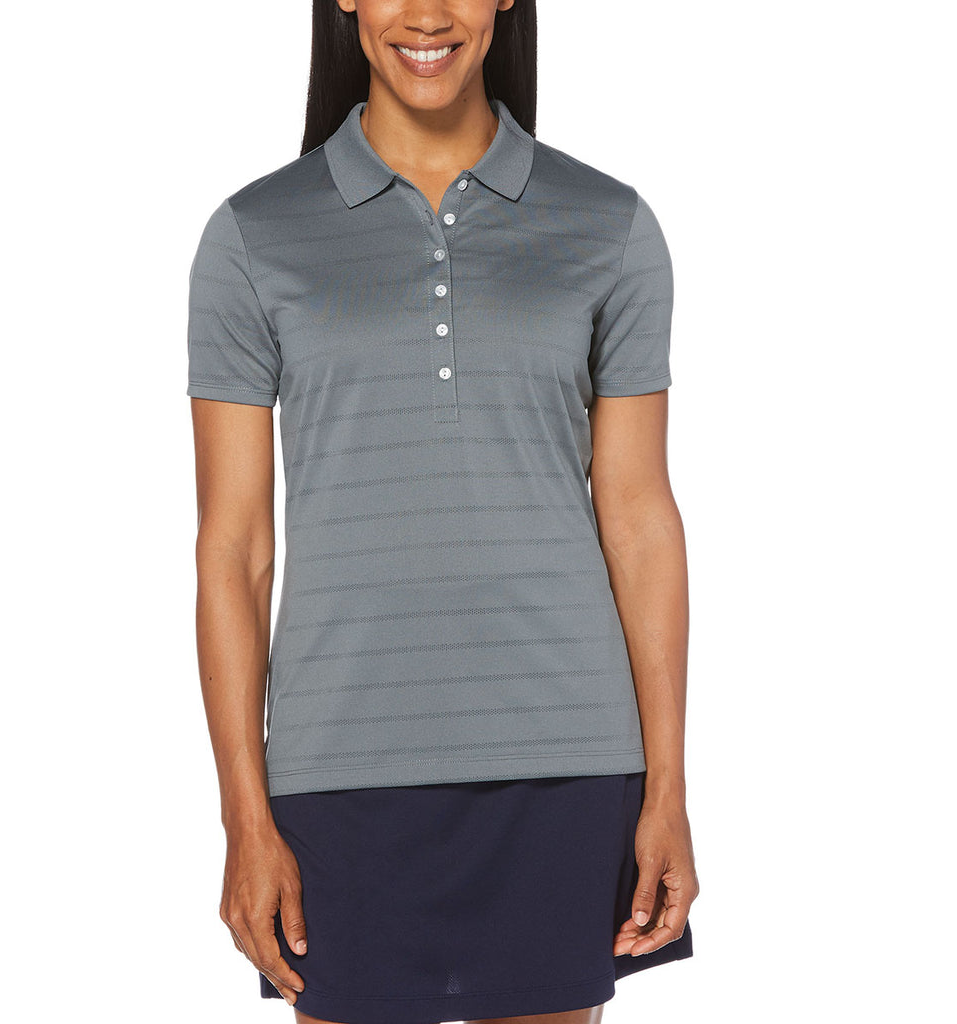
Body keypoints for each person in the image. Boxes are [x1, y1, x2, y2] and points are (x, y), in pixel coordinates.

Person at [185, 2, 700, 1023]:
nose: (427, 14)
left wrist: (668, 790)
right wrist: (244, 817)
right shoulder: (253, 234)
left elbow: (641, 520)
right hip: (338, 769)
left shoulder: (608, 224)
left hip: (565, 761)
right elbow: (233, 550)